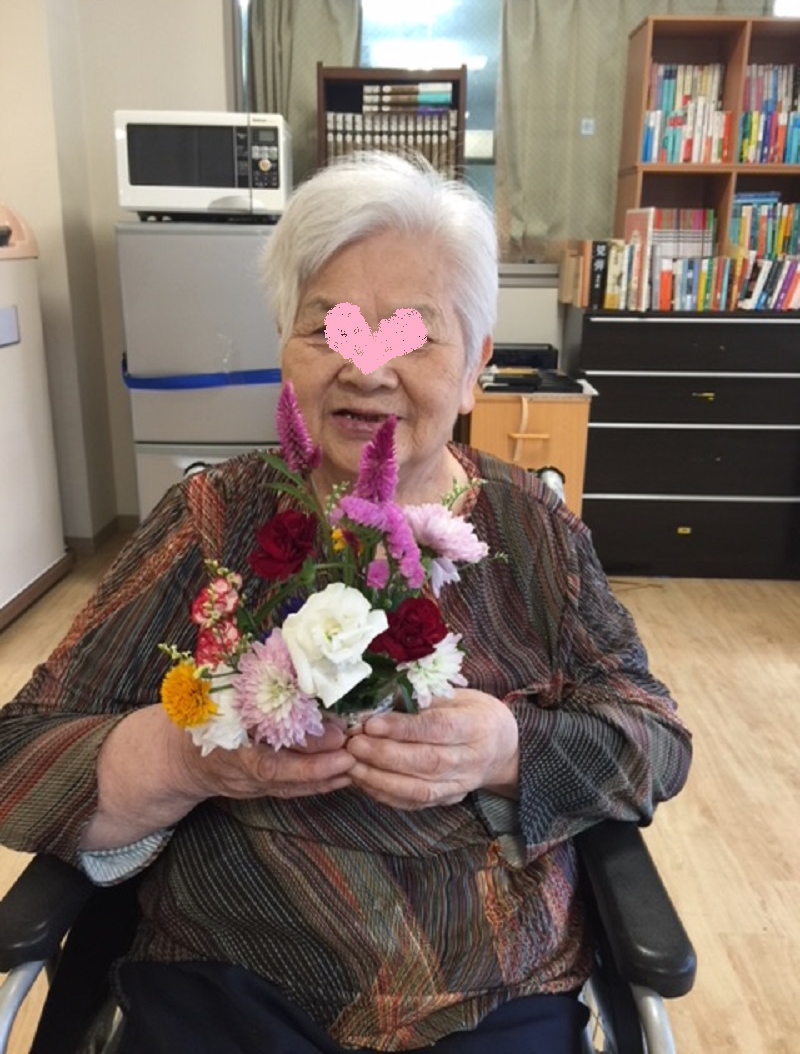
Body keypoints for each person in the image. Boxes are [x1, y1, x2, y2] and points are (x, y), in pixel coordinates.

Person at [0, 151, 691, 1054]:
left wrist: (507, 750)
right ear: (285, 344)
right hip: (227, 975)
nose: (367, 371)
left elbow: (654, 741)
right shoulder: (211, 519)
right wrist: (187, 757)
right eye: (330, 329)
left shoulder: (535, 532)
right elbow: (22, 751)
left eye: (413, 336)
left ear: (476, 365)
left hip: (489, 988)